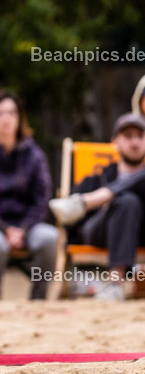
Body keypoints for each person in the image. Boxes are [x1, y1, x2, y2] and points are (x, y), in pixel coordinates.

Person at [49, 114, 145, 300]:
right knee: (127, 201)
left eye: (140, 136)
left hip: (143, 234)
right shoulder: (97, 178)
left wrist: (103, 196)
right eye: (128, 136)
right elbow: (73, 224)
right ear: (115, 142)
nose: (134, 142)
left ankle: (86, 202)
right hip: (99, 233)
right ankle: (115, 283)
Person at [0, 91, 57, 300]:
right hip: (1, 228)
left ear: (19, 118)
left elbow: (42, 199)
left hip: (29, 225)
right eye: (1, 113)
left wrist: (22, 230)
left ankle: (38, 299)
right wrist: (6, 230)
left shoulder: (35, 156)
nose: (6, 119)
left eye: (11, 113)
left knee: (50, 238)